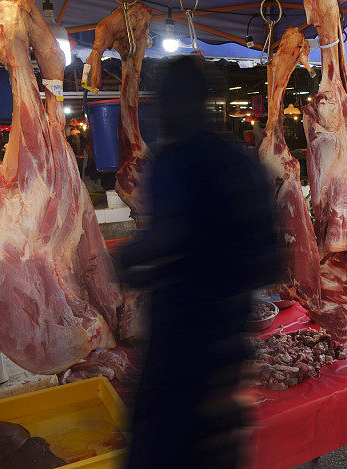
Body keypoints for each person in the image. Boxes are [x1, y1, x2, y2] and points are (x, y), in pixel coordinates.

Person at [117, 56, 281, 468]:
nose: (160, 111)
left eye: (164, 100)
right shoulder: (242, 162)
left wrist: (131, 259)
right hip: (225, 346)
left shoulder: (178, 161)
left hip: (181, 345)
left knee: (160, 449)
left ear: (178, 102)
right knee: (217, 449)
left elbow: (168, 236)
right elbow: (269, 261)